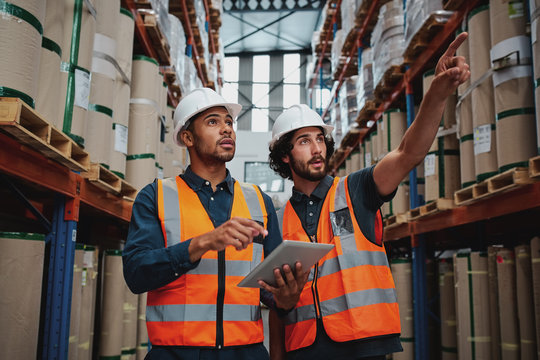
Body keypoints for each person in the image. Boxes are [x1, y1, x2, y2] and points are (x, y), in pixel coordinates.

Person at [264, 33, 471, 360]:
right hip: (304, 350)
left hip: (364, 345)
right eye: (304, 141)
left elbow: (407, 153)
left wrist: (437, 94)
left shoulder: (356, 189)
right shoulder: (276, 219)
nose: (317, 148)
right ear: (285, 156)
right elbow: (276, 307)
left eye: (320, 139)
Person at [123, 88, 308, 360]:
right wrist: (201, 244)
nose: (227, 130)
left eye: (229, 122)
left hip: (246, 353)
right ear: (187, 137)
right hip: (176, 354)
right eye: (213, 122)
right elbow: (136, 274)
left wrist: (286, 298)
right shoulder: (156, 196)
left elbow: (271, 291)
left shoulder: (259, 201)